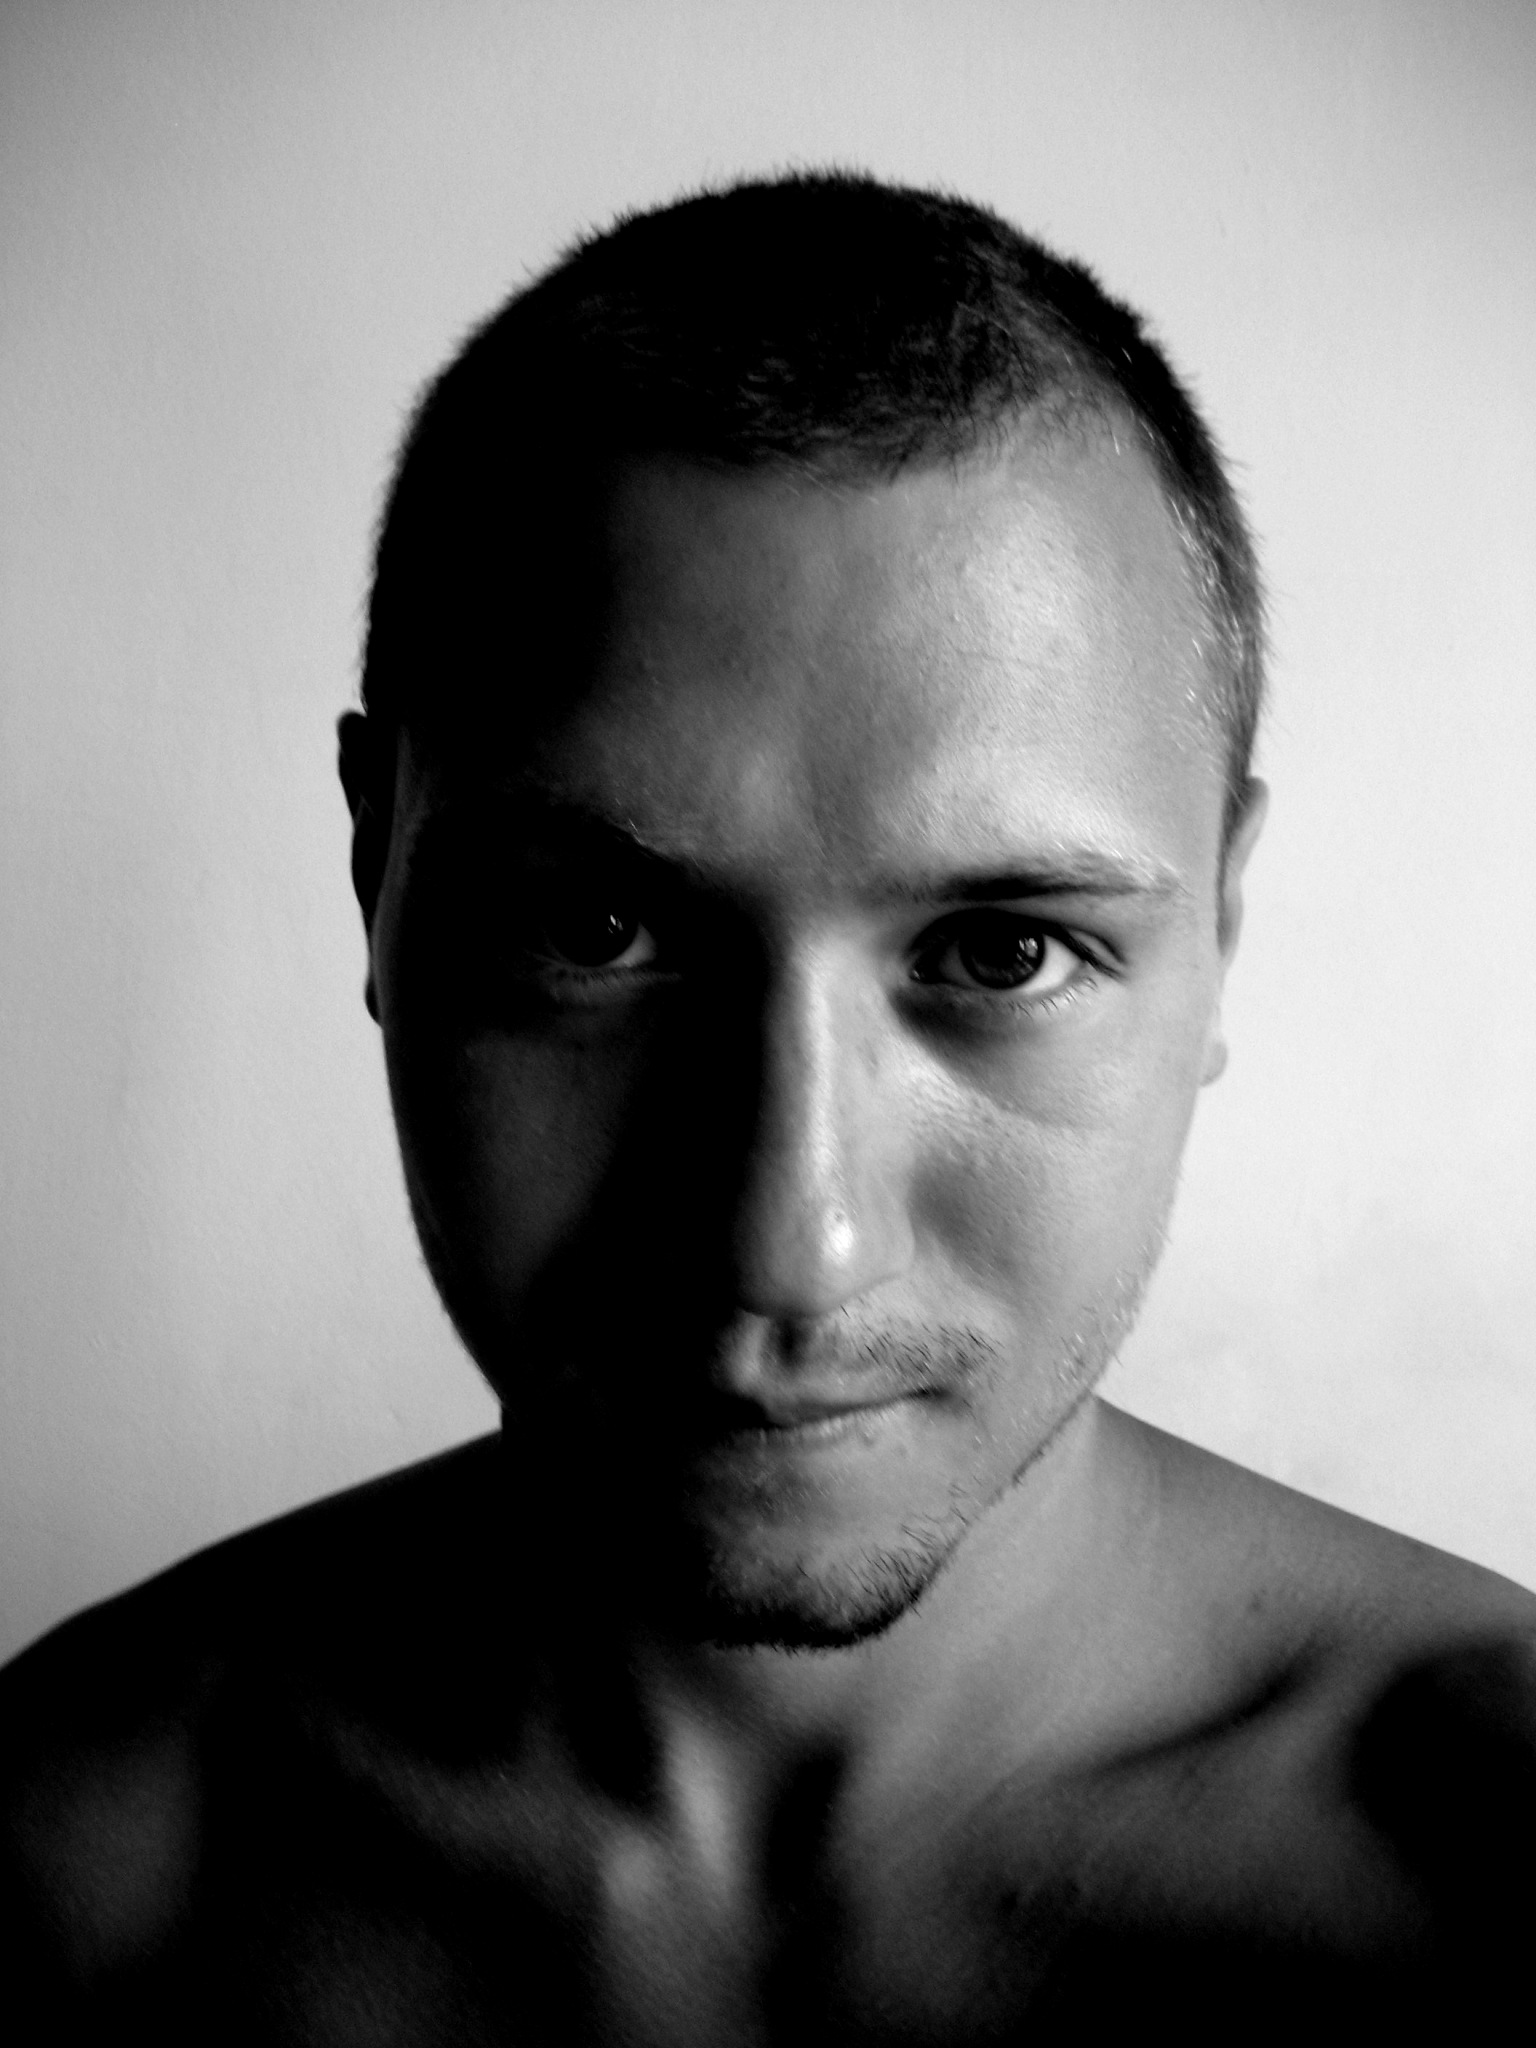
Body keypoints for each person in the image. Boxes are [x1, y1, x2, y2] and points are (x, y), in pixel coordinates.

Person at [3, 171, 1533, 2041]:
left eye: (1001, 953)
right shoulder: (73, 1871)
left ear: (1219, 928)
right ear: (373, 871)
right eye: (594, 929)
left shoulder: (1489, 1869)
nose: (790, 1242)